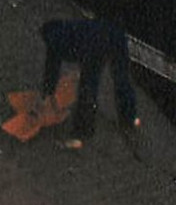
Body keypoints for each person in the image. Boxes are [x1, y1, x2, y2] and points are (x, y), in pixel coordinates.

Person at [38, 18, 139, 150]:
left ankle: (81, 133)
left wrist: (48, 93)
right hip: (114, 33)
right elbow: (52, 65)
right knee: (122, 78)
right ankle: (129, 118)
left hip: (95, 46)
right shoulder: (68, 27)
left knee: (88, 88)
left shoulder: (56, 42)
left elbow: (52, 67)